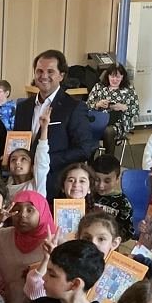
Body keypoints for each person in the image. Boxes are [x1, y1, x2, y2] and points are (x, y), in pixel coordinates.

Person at [13, 50, 96, 200]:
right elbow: (19, 142)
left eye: (50, 71)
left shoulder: (74, 107)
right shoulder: (23, 107)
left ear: (61, 75)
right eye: (39, 71)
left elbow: (83, 149)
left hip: (56, 182)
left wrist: (43, 160)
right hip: (24, 183)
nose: (44, 76)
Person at [0, 190, 57, 303]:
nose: (22, 215)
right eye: (17, 209)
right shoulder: (2, 236)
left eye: (30, 210)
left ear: (42, 213)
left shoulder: (54, 242)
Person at [87, 63, 140, 157]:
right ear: (108, 76)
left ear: (122, 77)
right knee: (87, 130)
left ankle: (108, 160)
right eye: (112, 76)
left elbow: (136, 110)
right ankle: (90, 163)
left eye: (118, 77)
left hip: (118, 122)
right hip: (98, 121)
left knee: (109, 131)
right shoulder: (99, 87)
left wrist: (123, 107)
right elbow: (87, 106)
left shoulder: (129, 90)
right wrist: (97, 105)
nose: (115, 80)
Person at [90, 154, 134, 241]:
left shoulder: (123, 203)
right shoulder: (87, 195)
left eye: (107, 181)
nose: (101, 186)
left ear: (117, 179)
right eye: (97, 180)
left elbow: (127, 231)